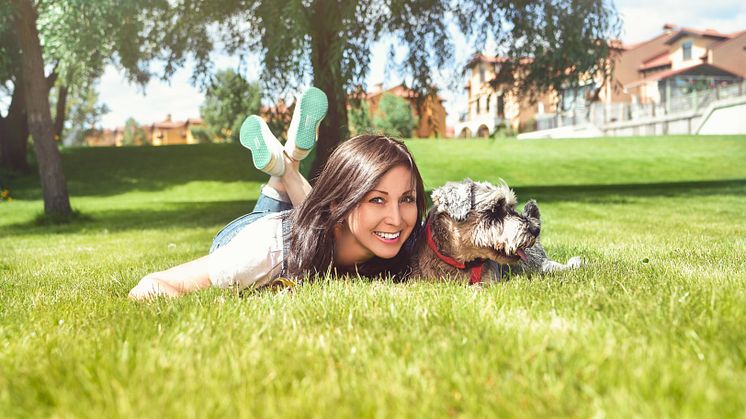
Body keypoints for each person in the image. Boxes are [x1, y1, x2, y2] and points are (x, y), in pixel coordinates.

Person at [128, 87, 426, 300]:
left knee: (313, 218)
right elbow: (153, 285)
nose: (396, 218)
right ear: (340, 202)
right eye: (377, 199)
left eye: (407, 199)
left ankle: (287, 163)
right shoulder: (263, 251)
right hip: (248, 234)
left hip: (311, 225)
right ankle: (285, 166)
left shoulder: (409, 239)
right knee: (303, 228)